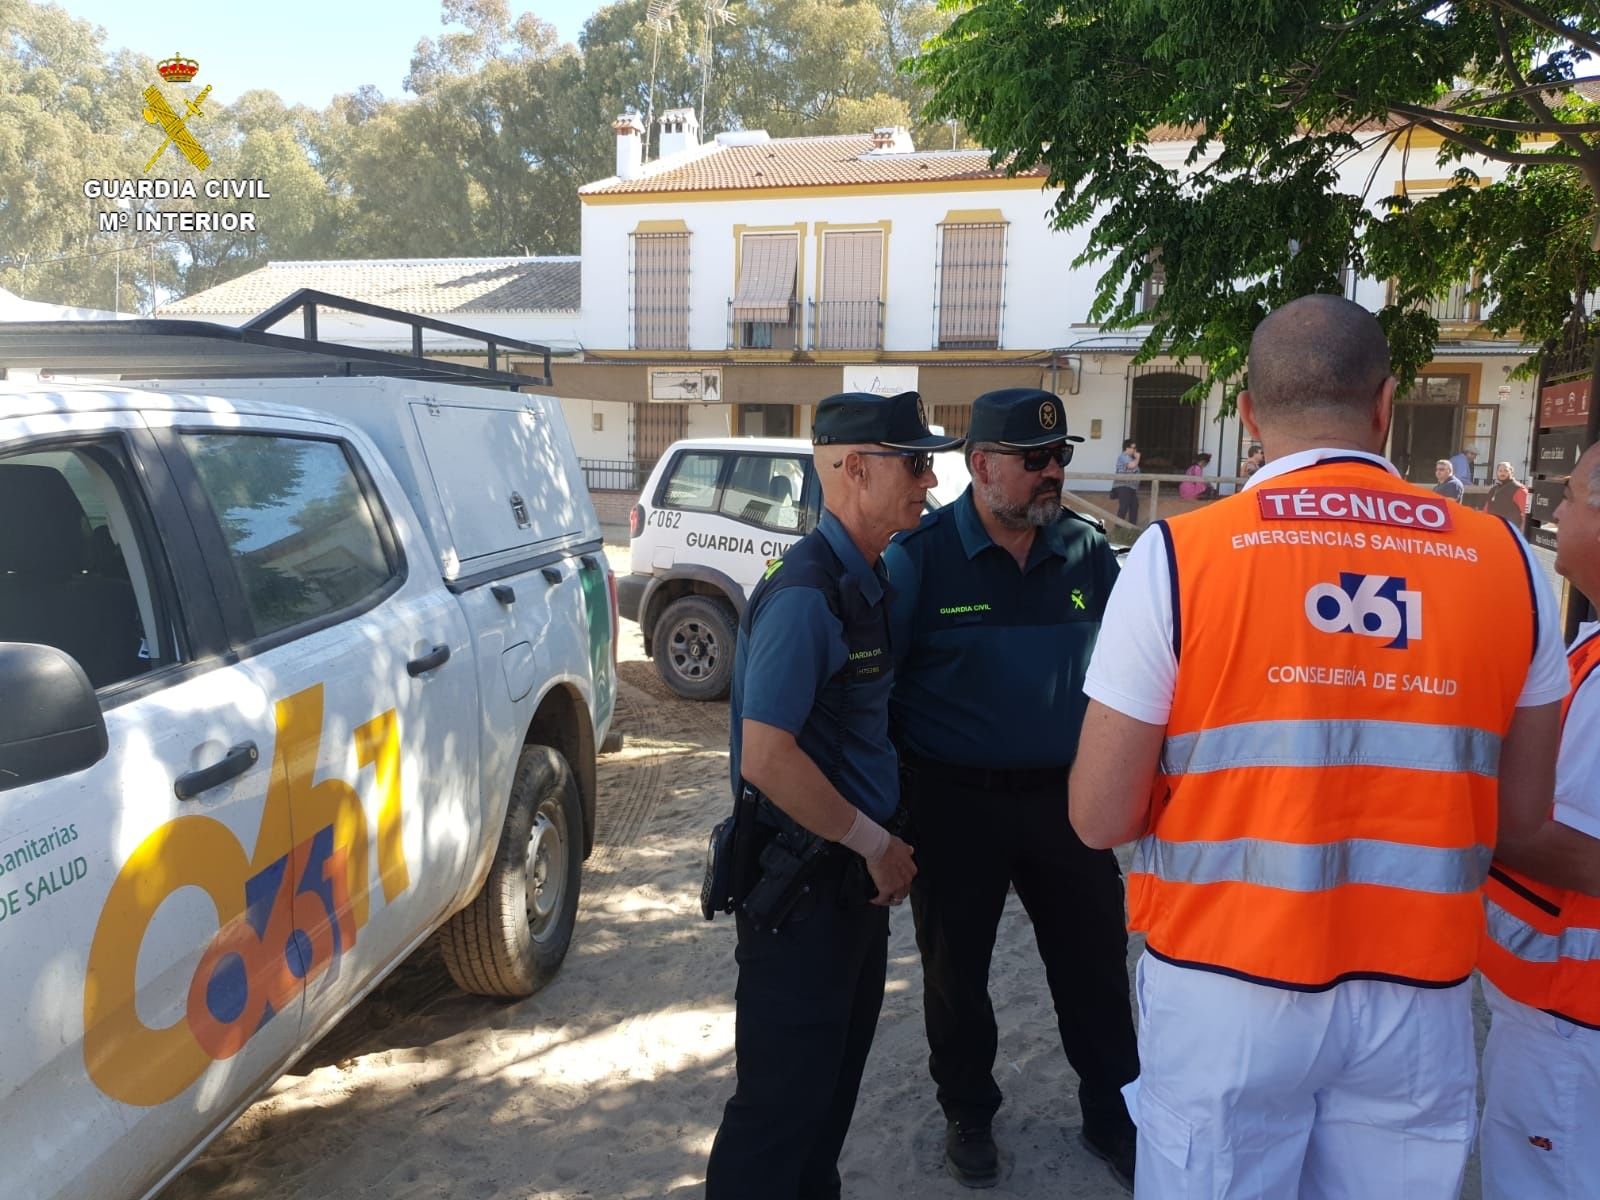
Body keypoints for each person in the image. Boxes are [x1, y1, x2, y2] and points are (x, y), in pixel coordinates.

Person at [1067, 294, 1567, 1200]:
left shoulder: (1180, 556)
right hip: (1420, 991)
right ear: (1386, 405)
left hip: (1227, 985)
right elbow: (1523, 820)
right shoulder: (1511, 563)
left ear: (1249, 413)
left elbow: (1099, 816)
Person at [883, 388, 1139, 1191]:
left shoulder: (1089, 553)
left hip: (1069, 800)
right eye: (1034, 461)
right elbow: (876, 693)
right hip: (953, 804)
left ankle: (1111, 1109)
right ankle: (968, 1109)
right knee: (957, 970)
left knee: (1094, 961)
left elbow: (1129, 681)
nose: (1052, 472)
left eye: (1060, 456)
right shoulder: (916, 560)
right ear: (980, 464)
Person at [705, 390, 958, 1200]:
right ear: (854, 468)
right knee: (779, 1115)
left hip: (841, 884)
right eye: (914, 464)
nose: (927, 481)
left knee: (825, 1101)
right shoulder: (811, 590)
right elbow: (768, 758)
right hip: (805, 892)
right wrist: (875, 844)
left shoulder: (863, 576)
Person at [1478, 440, 1600, 1199]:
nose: (1555, 508)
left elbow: (1565, 844)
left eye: (1577, 496)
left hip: (1571, 1019)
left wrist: (1445, 796)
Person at [1485, 460, 1529, 526]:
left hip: (1510, 530)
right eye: (1500, 471)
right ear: (1497, 472)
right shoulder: (1493, 489)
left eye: (1506, 471)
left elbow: (1526, 514)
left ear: (1511, 472)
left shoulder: (1519, 489)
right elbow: (1486, 510)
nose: (1502, 473)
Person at [1111, 438, 1141, 525]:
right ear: (1127, 448)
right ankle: (1118, 530)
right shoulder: (1123, 456)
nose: (1135, 450)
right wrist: (1138, 458)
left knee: (1134, 507)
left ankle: (1132, 530)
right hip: (1124, 486)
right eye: (1133, 448)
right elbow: (1131, 466)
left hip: (1131, 488)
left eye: (1135, 448)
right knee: (1123, 508)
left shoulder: (1131, 458)